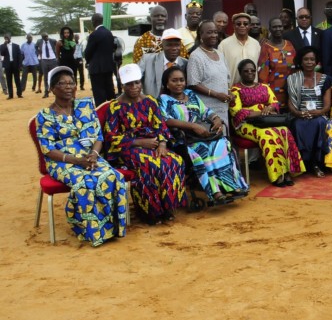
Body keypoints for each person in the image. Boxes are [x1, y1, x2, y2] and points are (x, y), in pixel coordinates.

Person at [35, 66, 127, 246]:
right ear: (53, 89)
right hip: (62, 161)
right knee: (85, 183)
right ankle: (92, 231)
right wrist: (76, 161)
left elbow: (98, 137)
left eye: (71, 83)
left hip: (89, 157)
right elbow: (48, 149)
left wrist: (93, 154)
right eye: (62, 83)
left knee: (113, 176)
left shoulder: (85, 107)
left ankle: (112, 228)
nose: (68, 87)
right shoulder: (45, 116)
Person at [104, 64, 186, 225]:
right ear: (122, 85)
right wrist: (139, 142)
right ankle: (150, 212)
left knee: (175, 160)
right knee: (150, 164)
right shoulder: (115, 106)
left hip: (153, 143)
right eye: (129, 84)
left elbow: (161, 125)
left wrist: (162, 143)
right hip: (129, 148)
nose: (134, 87)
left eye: (136, 82)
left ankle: (167, 206)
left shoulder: (150, 101)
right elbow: (111, 137)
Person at [159, 66, 248, 203]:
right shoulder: (164, 99)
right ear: (167, 84)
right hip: (184, 139)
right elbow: (166, 120)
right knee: (203, 150)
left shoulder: (191, 95)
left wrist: (216, 119)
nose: (179, 84)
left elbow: (206, 111)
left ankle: (230, 185)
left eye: (181, 80)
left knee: (223, 143)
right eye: (174, 81)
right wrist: (193, 126)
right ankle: (215, 191)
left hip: (202, 135)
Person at [230, 59, 306, 186]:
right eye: (246, 71)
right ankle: (277, 175)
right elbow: (237, 112)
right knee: (267, 135)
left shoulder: (264, 86)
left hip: (266, 121)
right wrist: (261, 112)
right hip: (245, 124)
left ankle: (287, 171)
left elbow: (274, 102)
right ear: (240, 73)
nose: (250, 73)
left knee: (284, 131)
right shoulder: (235, 89)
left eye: (252, 71)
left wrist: (269, 108)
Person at [287, 47, 332, 177]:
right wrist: (298, 113)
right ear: (301, 62)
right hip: (300, 114)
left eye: (312, 59)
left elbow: (327, 105)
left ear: (316, 62)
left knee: (319, 123)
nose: (309, 62)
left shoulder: (325, 79)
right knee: (298, 124)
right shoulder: (293, 79)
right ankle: (302, 162)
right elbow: (290, 103)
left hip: (319, 114)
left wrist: (318, 112)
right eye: (306, 59)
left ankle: (316, 163)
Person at [187, 21, 232, 125]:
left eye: (216, 32)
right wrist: (216, 94)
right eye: (209, 32)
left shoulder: (220, 54)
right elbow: (193, 84)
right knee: (212, 139)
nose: (214, 35)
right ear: (201, 35)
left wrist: (229, 92)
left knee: (224, 139)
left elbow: (226, 78)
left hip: (223, 108)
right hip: (207, 110)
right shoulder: (196, 56)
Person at [258, 17, 297, 112]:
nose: (278, 29)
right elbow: (263, 75)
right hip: (273, 92)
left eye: (280, 26)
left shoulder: (289, 44)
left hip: (291, 91)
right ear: (270, 29)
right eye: (274, 27)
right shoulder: (266, 47)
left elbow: (296, 66)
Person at [138, 28, 189, 98]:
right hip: (152, 104)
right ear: (162, 46)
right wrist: (144, 99)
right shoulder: (147, 60)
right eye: (169, 45)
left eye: (177, 45)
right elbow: (135, 80)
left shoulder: (186, 64)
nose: (174, 48)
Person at [218, 12, 262, 85]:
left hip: (252, 90)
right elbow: (220, 70)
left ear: (249, 26)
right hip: (231, 91)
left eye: (245, 24)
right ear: (233, 26)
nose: (242, 26)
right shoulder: (224, 45)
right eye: (238, 24)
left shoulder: (256, 44)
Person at [84, 13, 116, 106]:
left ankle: (102, 114)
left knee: (99, 94)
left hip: (96, 69)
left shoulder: (94, 34)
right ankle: (113, 111)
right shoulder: (109, 33)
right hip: (108, 67)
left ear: (94, 21)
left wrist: (88, 60)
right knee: (110, 91)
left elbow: (88, 52)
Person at [1, 34, 23, 99]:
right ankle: (10, 95)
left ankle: (19, 94)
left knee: (17, 80)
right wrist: (5, 45)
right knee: (9, 80)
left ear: (10, 38)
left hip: (15, 64)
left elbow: (19, 56)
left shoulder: (16, 46)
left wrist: (20, 65)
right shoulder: (2, 46)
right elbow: (2, 53)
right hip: (8, 65)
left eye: (7, 38)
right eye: (5, 38)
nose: (6, 39)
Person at [37, 32, 58, 97]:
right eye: (44, 37)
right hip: (44, 60)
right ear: (42, 38)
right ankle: (46, 92)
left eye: (47, 36)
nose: (46, 38)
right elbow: (36, 47)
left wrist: (57, 56)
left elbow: (58, 47)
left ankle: (56, 90)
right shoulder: (39, 42)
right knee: (45, 76)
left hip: (53, 60)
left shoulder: (53, 41)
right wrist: (39, 54)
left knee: (54, 76)